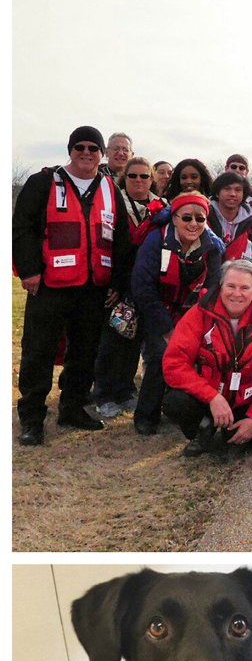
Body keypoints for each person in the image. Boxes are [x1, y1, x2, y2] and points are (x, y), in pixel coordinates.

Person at [13, 125, 133, 445]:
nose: (86, 153)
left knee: (84, 353)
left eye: (93, 148)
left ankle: (72, 408)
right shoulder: (43, 182)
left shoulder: (110, 188)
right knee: (38, 352)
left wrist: (117, 282)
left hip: (93, 288)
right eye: (80, 147)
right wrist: (29, 271)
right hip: (49, 286)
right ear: (70, 150)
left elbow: (121, 238)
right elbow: (22, 228)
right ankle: (32, 418)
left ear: (101, 154)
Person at [161, 260, 252, 469]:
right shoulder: (199, 314)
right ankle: (203, 429)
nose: (237, 294)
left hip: (247, 401)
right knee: (175, 402)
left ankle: (240, 432)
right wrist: (212, 397)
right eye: (231, 286)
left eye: (244, 288)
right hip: (209, 400)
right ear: (220, 286)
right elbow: (174, 364)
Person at [131, 191, 225, 436]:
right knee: (160, 355)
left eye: (200, 218)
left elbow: (214, 286)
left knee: (200, 357)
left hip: (193, 312)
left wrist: (195, 322)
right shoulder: (155, 241)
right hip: (157, 308)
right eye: (186, 217)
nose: (193, 223)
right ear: (174, 218)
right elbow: (142, 286)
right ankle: (146, 415)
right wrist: (167, 328)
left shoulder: (212, 246)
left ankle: (187, 409)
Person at [92, 156, 166, 419]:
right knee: (111, 341)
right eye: (133, 176)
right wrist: (115, 283)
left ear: (151, 180)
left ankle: (125, 390)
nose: (138, 180)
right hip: (118, 282)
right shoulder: (113, 203)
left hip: (146, 285)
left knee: (134, 340)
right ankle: (103, 393)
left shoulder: (162, 207)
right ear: (125, 178)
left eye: (144, 176)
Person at [208, 169, 252, 272]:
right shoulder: (204, 218)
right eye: (227, 189)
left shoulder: (251, 225)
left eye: (238, 190)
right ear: (217, 193)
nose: (232, 194)